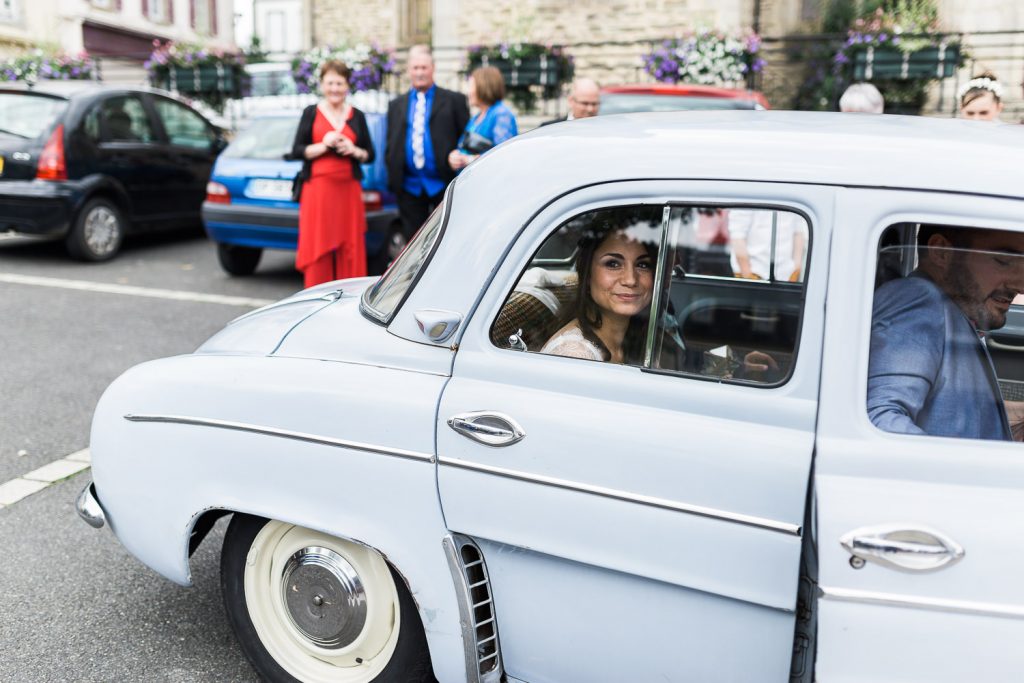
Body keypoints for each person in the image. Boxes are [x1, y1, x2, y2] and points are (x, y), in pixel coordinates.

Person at [868, 225, 1024, 440]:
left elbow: (955, 410)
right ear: (942, 252)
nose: (1021, 285)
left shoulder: (950, 309)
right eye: (1003, 261)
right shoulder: (917, 300)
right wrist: (968, 471)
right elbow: (878, 422)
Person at [291, 60, 374, 287]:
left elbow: (370, 154)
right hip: (317, 190)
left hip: (348, 189)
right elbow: (297, 150)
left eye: (339, 83)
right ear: (321, 84)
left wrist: (353, 149)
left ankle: (348, 295)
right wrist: (324, 144)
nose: (335, 88)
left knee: (351, 243)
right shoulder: (311, 113)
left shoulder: (357, 115)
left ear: (347, 86)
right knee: (319, 243)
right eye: (330, 83)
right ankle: (317, 292)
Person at [541, 220, 658, 364]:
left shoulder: (636, 336)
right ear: (588, 275)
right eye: (613, 264)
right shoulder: (575, 355)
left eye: (643, 265)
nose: (631, 280)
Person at [386, 45, 470, 240]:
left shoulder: (453, 100)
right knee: (414, 242)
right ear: (409, 70)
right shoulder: (396, 104)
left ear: (433, 68)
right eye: (415, 68)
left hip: (444, 184)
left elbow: (465, 139)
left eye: (424, 68)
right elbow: (391, 141)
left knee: (447, 239)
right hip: (409, 187)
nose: (420, 72)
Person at [447, 66, 519, 172]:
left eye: (471, 86)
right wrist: (453, 158)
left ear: (483, 86)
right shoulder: (476, 117)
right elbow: (463, 148)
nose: (468, 92)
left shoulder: (501, 115)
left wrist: (470, 159)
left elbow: (503, 155)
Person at [729, 209, 807, 281]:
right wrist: (748, 276)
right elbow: (737, 237)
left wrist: (796, 269)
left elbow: (798, 231)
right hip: (753, 273)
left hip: (786, 274)